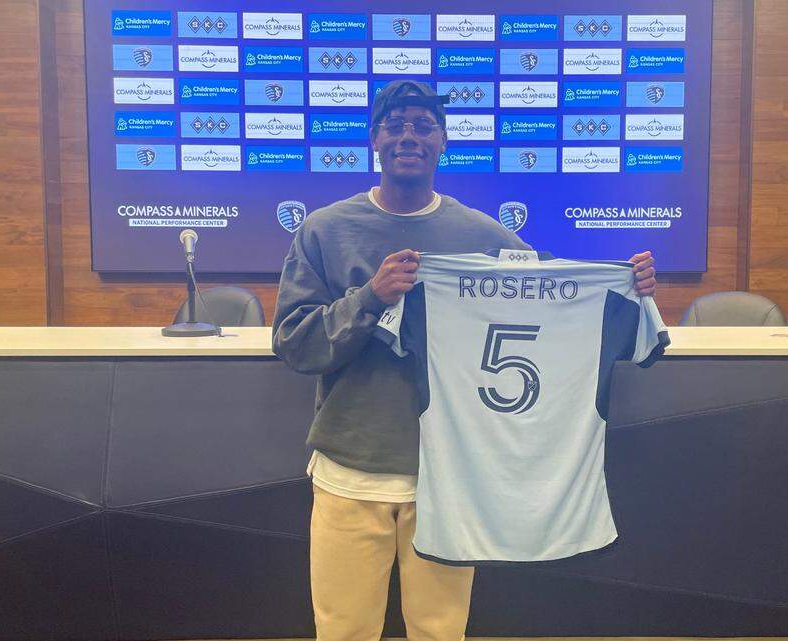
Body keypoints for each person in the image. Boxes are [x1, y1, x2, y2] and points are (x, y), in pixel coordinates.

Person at [271, 79, 657, 641]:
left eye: (423, 125)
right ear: (374, 139)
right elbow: (294, 342)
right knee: (344, 630)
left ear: (442, 142)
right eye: (396, 124)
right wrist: (370, 298)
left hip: (450, 475)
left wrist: (625, 284)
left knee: (439, 630)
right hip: (350, 470)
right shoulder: (325, 230)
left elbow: (554, 296)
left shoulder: (478, 233)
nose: (409, 136)